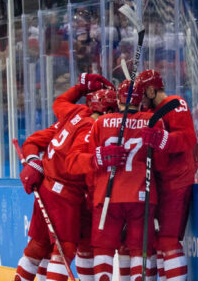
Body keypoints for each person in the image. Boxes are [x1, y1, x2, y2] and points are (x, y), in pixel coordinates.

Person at [16, 73, 114, 281]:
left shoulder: (76, 112)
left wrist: (80, 88)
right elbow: (74, 162)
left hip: (47, 188)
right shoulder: (92, 129)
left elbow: (59, 102)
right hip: (64, 194)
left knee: (38, 245)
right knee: (65, 248)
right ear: (108, 111)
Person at [67, 78, 165, 280]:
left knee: (104, 248)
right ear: (141, 100)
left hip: (107, 194)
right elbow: (161, 162)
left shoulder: (100, 123)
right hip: (141, 194)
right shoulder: (154, 121)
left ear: (119, 101)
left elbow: (90, 161)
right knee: (140, 248)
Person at [135, 69, 196, 281]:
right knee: (157, 241)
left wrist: (162, 139)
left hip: (177, 182)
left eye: (143, 94)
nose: (141, 100)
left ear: (152, 90)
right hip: (158, 183)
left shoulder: (175, 103)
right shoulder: (149, 111)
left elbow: (188, 138)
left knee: (168, 240)